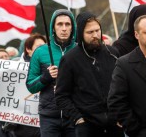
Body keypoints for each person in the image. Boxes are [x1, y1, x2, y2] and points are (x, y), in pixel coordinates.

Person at [55, 12, 122, 137]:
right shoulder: (70, 59)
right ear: (81, 33)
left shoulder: (113, 53)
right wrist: (78, 119)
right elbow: (61, 95)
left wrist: (122, 115)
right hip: (87, 126)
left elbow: (123, 87)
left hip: (115, 123)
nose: (95, 35)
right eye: (90, 32)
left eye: (97, 30)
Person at [26, 9, 77, 137]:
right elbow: (30, 86)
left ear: (73, 27)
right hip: (49, 117)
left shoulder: (80, 50)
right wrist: (46, 77)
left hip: (75, 115)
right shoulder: (40, 52)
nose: (64, 28)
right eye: (60, 24)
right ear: (53, 28)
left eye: (67, 24)